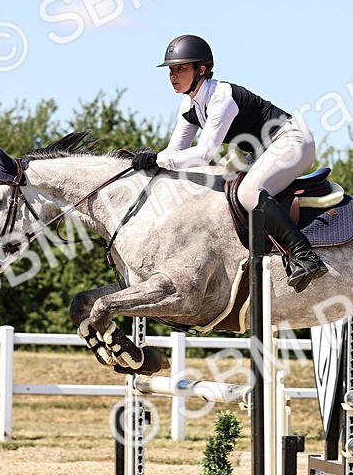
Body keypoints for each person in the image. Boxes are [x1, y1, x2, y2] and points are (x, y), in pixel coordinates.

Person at [132, 34, 327, 292]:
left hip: (291, 140)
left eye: (180, 68)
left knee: (249, 192)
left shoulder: (221, 97)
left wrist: (158, 158)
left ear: (202, 69)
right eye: (171, 69)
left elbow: (202, 153)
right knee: (222, 186)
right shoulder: (189, 105)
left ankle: (305, 256)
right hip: (262, 151)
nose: (173, 75)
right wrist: (150, 162)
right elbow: (175, 153)